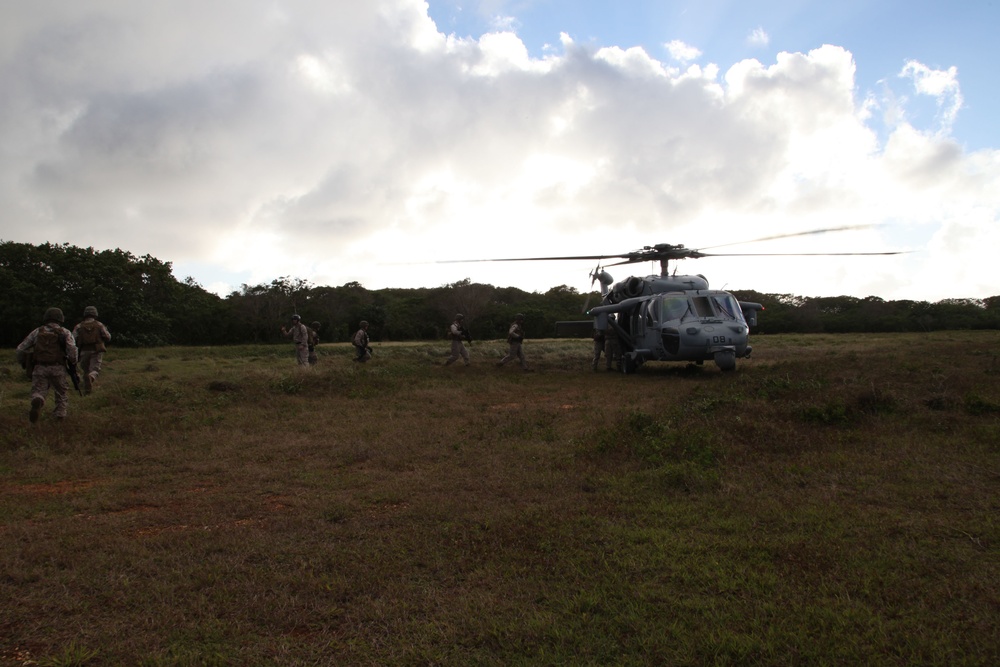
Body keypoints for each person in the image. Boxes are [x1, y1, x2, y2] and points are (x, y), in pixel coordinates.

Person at [16, 307, 79, 423]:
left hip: (39, 367)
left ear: (46, 318)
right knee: (61, 392)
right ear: (60, 319)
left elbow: (20, 348)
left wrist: (23, 362)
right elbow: (72, 350)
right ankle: (59, 416)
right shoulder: (65, 332)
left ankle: (38, 399)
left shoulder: (37, 332)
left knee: (38, 390)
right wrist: (73, 363)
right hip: (58, 367)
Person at [72, 305, 112, 393]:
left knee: (85, 370)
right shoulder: (99, 324)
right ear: (95, 314)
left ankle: (87, 388)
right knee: (95, 369)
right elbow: (108, 337)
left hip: (83, 350)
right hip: (97, 350)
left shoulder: (79, 326)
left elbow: (72, 339)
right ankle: (91, 377)